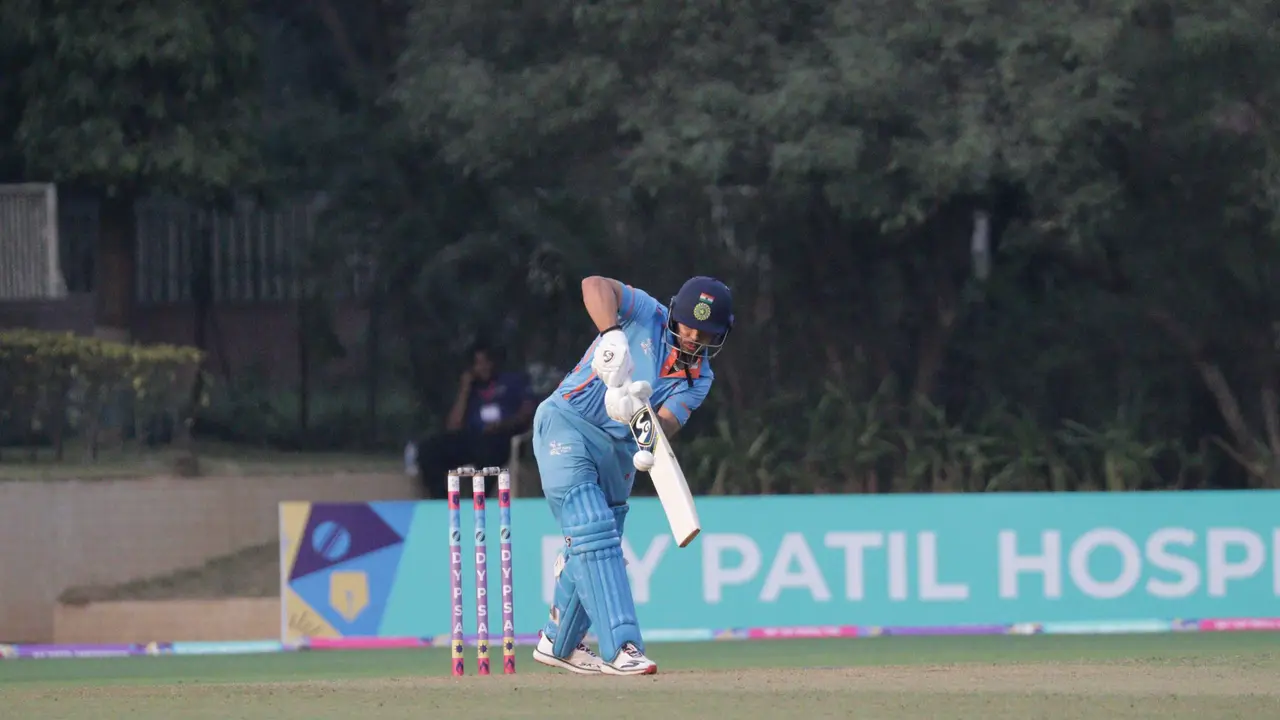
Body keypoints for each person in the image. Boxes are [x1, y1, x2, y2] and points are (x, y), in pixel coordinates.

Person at [529, 275, 734, 676]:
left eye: (704, 333)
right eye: (688, 325)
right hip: (567, 422)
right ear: (674, 314)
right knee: (591, 525)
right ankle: (623, 646)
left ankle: (559, 642)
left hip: (619, 455)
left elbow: (663, 427)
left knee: (595, 545)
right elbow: (592, 284)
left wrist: (638, 419)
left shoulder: (699, 379)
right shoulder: (646, 312)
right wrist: (610, 336)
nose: (692, 337)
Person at [415, 341, 535, 498]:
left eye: (486, 362)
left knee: (488, 453)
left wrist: (501, 425)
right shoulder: (471, 388)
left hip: (503, 437)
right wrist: (465, 388)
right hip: (473, 437)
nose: (483, 367)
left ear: (494, 362)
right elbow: (453, 426)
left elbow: (527, 413)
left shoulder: (512, 381)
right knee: (428, 450)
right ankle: (442, 502)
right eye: (477, 364)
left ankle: (477, 504)